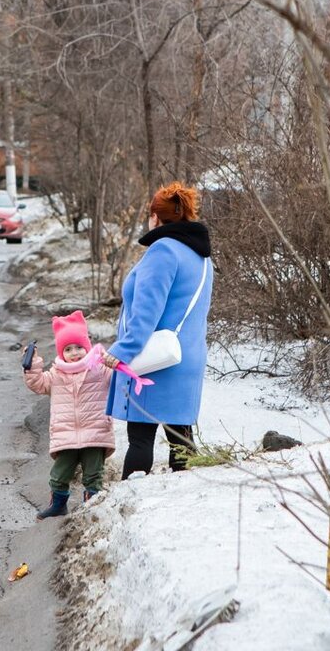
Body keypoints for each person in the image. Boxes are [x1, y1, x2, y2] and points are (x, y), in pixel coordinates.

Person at [101, 182, 213, 478]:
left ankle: (131, 497)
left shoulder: (162, 251)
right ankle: (188, 498)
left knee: (140, 437)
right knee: (181, 440)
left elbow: (146, 312)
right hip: (187, 357)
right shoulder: (201, 256)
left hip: (156, 361)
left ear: (155, 217)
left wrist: (122, 351)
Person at [23, 310, 115, 519]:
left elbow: (117, 375)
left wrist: (111, 360)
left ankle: (92, 504)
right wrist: (32, 366)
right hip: (66, 434)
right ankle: (58, 504)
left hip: (95, 431)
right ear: (61, 352)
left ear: (87, 347)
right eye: (68, 349)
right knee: (59, 474)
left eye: (79, 348)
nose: (74, 353)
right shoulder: (55, 374)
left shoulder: (99, 369)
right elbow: (37, 384)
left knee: (93, 474)